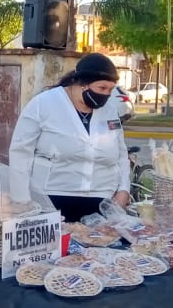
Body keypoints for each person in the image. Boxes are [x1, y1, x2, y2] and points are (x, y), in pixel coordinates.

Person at [8, 52, 130, 223]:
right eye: (102, 88)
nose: (106, 95)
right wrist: (21, 201)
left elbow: (121, 155)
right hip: (50, 201)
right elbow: (21, 153)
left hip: (102, 203)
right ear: (82, 84)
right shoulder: (43, 105)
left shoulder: (109, 110)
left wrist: (124, 190)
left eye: (110, 90)